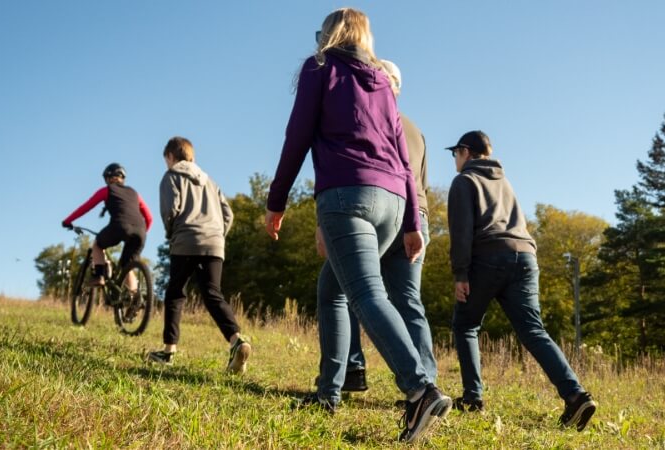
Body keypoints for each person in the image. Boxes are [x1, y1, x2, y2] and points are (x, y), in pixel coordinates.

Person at [265, 8, 451, 443]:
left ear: (329, 35)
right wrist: (410, 222)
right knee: (332, 290)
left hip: (347, 196)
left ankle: (420, 389)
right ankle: (328, 392)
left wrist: (277, 201)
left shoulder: (321, 67)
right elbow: (403, 158)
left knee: (366, 294)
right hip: (392, 202)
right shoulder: (383, 81)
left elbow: (297, 136)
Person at [446, 130, 597, 431]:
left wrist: (460, 273)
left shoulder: (464, 181)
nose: (454, 160)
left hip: (488, 257)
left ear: (465, 151)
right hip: (526, 257)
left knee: (465, 325)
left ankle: (473, 398)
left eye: (455, 154)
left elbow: (461, 231)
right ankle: (576, 395)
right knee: (533, 330)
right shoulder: (505, 182)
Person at [314, 59, 438, 398]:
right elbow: (421, 182)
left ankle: (352, 372)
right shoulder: (417, 131)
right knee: (407, 301)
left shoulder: (371, 116)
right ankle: (426, 377)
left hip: (374, 207)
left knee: (351, 288)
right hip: (414, 216)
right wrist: (418, 223)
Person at [147, 136, 251, 374]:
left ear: (171, 156)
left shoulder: (171, 176)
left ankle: (168, 351)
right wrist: (217, 234)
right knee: (213, 294)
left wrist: (172, 232)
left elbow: (169, 210)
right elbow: (228, 214)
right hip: (214, 243)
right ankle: (237, 341)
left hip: (186, 240)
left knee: (175, 294)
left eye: (166, 160)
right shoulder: (210, 182)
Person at [61, 163, 152, 292]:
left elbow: (86, 207)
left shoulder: (107, 190)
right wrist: (141, 232)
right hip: (141, 232)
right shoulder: (135, 193)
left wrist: (68, 221)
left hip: (119, 226)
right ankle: (133, 300)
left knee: (98, 244)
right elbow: (149, 218)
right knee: (127, 266)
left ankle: (99, 276)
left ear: (108, 178)